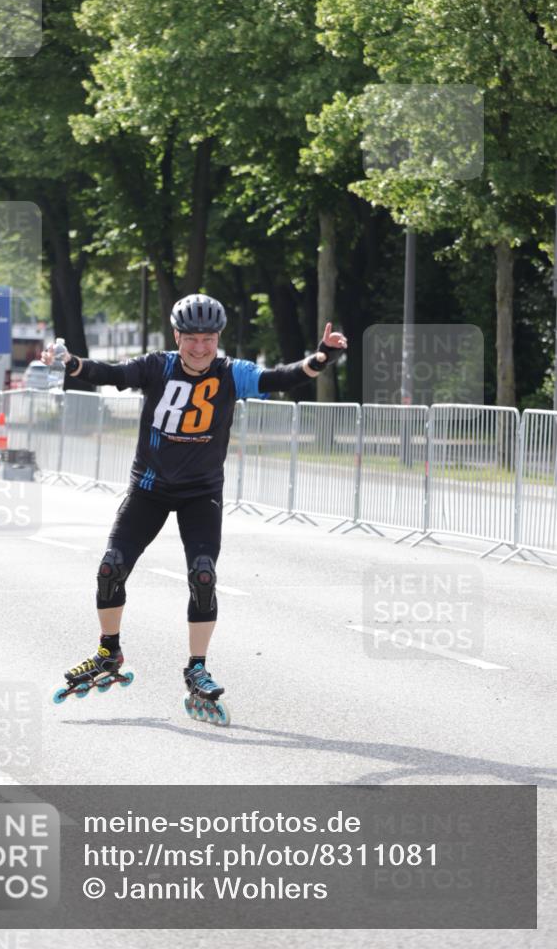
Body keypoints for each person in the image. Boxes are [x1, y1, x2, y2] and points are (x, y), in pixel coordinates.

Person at [43, 294, 347, 723]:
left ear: (217, 338)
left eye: (208, 339)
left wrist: (321, 358)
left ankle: (197, 669)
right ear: (177, 337)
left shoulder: (232, 373)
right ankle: (108, 652)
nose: (200, 348)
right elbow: (111, 373)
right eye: (191, 339)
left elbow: (280, 378)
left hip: (200, 492)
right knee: (111, 568)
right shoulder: (157, 366)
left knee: (203, 575)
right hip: (149, 489)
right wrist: (71, 363)